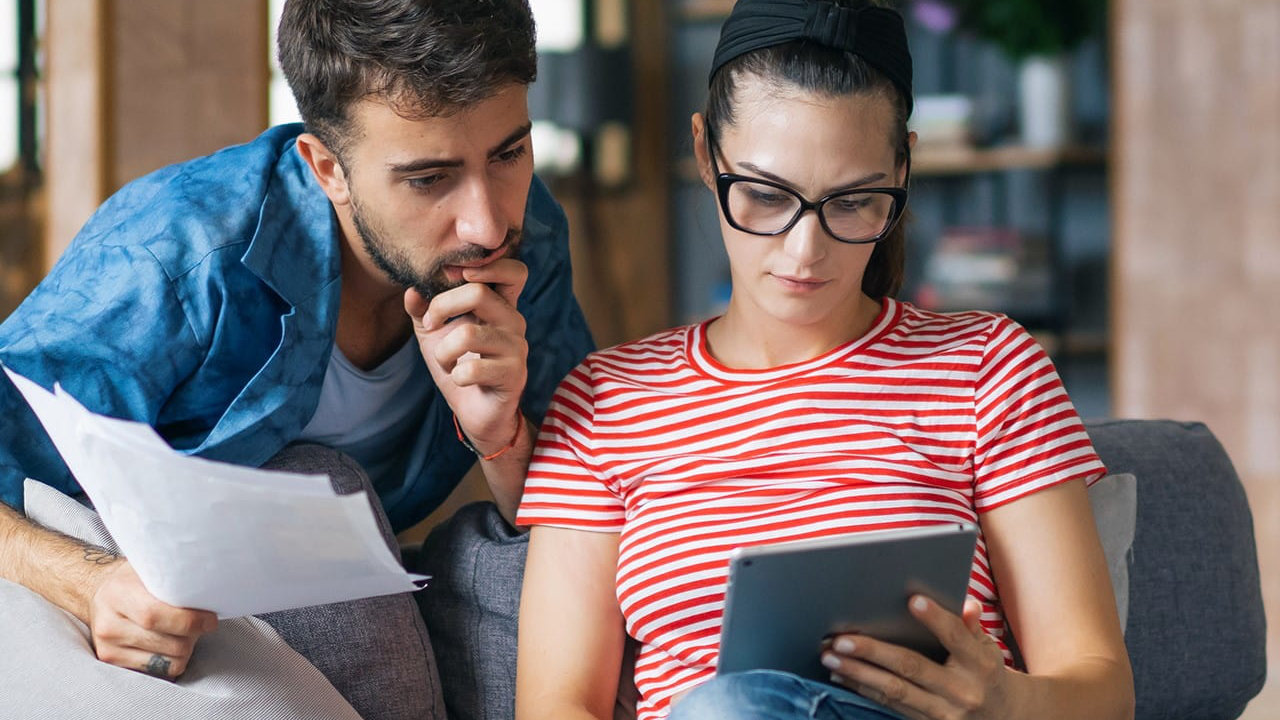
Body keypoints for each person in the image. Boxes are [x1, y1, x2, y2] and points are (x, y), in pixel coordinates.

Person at [514, 1, 1134, 719]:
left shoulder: (988, 366)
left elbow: (1102, 691)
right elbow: (555, 706)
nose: (805, 251)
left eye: (854, 202)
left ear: (903, 166)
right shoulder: (605, 401)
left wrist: (1004, 704)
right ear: (705, 153)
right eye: (764, 195)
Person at [0, 0, 592, 718]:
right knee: (316, 484)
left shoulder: (527, 238)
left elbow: (584, 505)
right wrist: (90, 582)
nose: (488, 222)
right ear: (327, 168)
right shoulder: (180, 252)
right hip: (148, 607)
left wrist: (501, 437)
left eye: (509, 154)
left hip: (366, 581)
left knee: (543, 572)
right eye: (429, 179)